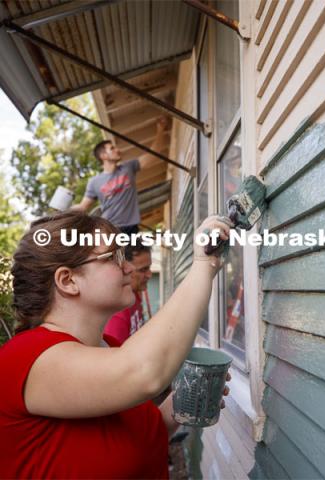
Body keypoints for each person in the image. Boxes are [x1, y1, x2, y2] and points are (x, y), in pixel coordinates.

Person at [0, 210, 231, 478]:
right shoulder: (25, 358)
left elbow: (143, 436)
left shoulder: (108, 347)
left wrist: (183, 401)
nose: (129, 267)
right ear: (68, 280)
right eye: (113, 257)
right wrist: (204, 264)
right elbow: (144, 373)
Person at [72, 118, 168, 234]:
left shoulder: (128, 168)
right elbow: (83, 207)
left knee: (141, 252)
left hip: (131, 227)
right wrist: (61, 213)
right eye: (112, 148)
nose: (118, 150)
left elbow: (153, 154)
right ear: (103, 156)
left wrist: (160, 130)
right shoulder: (94, 182)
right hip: (110, 229)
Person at [104, 244, 152, 345]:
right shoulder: (117, 314)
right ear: (125, 268)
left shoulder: (134, 296)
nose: (149, 274)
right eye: (143, 269)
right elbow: (115, 357)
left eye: (149, 268)